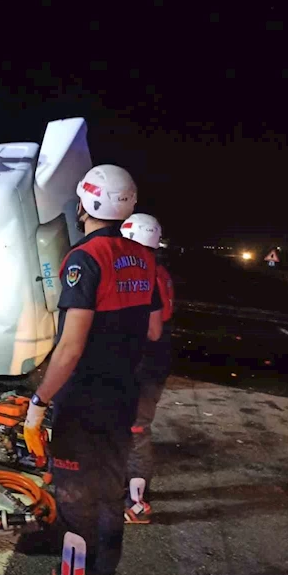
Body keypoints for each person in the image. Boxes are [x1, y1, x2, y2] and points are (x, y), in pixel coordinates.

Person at [23, 165, 163, 575]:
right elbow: (154, 330)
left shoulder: (84, 258)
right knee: (109, 489)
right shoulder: (144, 257)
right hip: (124, 395)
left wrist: (39, 400)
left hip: (85, 400)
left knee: (74, 501)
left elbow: (70, 347)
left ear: (86, 202)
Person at [120, 214, 175, 524]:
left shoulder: (142, 274)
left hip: (141, 361)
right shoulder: (161, 270)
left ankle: (138, 503)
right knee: (132, 428)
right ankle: (128, 490)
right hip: (155, 359)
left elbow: (144, 327)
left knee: (136, 430)